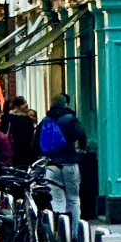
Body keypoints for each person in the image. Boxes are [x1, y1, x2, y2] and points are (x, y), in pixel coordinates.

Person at [38, 93, 87, 233]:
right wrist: (80, 147)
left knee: (57, 200)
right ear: (65, 104)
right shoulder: (71, 119)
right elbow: (81, 133)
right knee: (73, 199)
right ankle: (75, 234)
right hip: (70, 163)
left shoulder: (45, 120)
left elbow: (35, 143)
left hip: (52, 164)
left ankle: (59, 235)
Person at [4, 95, 36, 167]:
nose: (26, 105)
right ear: (16, 107)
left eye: (25, 102)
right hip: (23, 154)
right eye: (22, 104)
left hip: (14, 153)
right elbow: (24, 139)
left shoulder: (10, 118)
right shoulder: (23, 121)